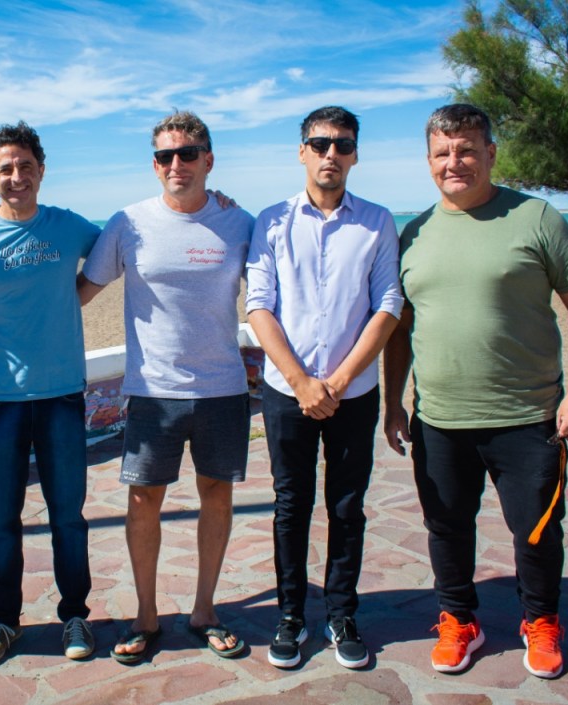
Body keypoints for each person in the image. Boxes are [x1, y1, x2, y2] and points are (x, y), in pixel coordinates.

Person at [383, 103, 568, 679]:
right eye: (442, 153)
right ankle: (460, 620)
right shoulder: (415, 233)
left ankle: (541, 620)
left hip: (529, 416)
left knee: (535, 530)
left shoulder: (536, 217)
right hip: (440, 417)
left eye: (466, 150)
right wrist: (391, 404)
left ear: (490, 154)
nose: (454, 162)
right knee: (447, 528)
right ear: (429, 160)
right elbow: (399, 330)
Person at [78, 110, 255, 664]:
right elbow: (80, 291)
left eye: (186, 153)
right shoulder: (128, 222)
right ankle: (146, 615)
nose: (175, 164)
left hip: (223, 387)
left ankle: (204, 610)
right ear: (154, 165)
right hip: (152, 390)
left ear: (208, 159)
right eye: (164, 156)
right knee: (142, 501)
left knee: (217, 497)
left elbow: (282, 289)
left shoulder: (240, 221)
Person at [246, 106, 402, 670]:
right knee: (292, 505)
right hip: (286, 394)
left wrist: (333, 382)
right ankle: (290, 616)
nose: (330, 153)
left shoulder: (378, 222)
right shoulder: (270, 220)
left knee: (347, 506)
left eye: (342, 144)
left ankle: (341, 614)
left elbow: (388, 303)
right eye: (319, 143)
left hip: (352, 394)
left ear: (355, 153)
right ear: (302, 152)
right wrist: (300, 381)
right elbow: (258, 305)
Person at [0, 121, 99, 666]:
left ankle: (76, 616)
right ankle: (3, 623)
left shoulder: (68, 226)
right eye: (6, 168)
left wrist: (74, 296)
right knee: (3, 519)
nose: (17, 176)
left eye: (25, 166)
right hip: (1, 404)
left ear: (41, 170)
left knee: (68, 516)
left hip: (61, 397)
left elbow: (121, 247)